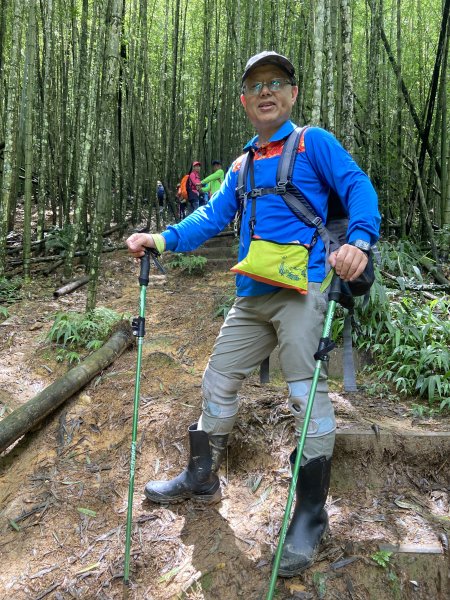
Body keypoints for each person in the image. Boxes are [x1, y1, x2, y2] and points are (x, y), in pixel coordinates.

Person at [126, 51, 380, 577]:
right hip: (253, 293)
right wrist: (161, 239)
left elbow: (358, 186)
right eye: (256, 85)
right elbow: (209, 218)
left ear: (290, 95)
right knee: (217, 379)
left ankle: (310, 516)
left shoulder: (314, 143)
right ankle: (201, 474)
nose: (266, 91)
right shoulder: (241, 165)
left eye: (277, 83)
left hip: (305, 288)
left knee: (304, 394)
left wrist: (359, 239)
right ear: (245, 102)